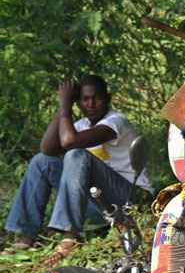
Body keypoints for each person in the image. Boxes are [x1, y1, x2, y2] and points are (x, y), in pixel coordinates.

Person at [4, 75, 152, 257]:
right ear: (78, 102)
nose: (90, 104)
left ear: (108, 98)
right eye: (84, 99)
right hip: (98, 203)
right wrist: (62, 108)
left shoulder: (116, 122)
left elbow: (69, 142)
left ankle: (71, 235)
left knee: (76, 154)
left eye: (96, 98)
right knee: (41, 161)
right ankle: (25, 237)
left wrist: (66, 107)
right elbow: (47, 149)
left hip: (129, 199)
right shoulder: (81, 125)